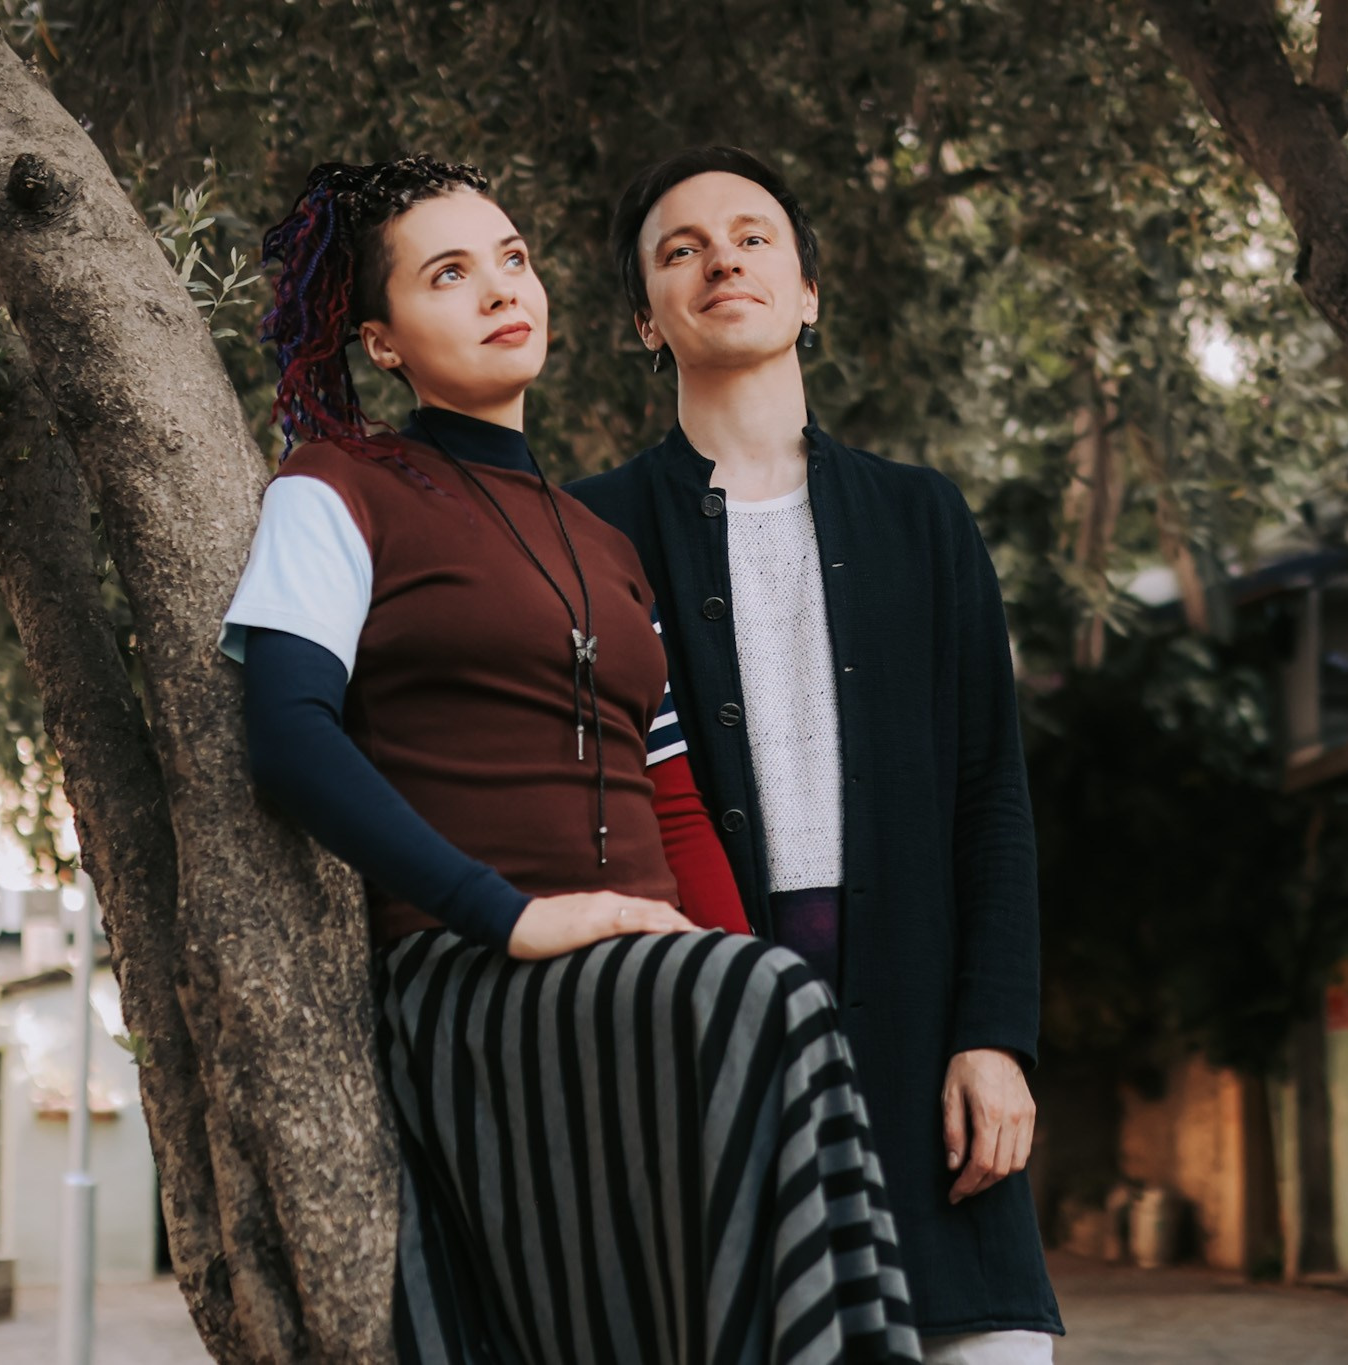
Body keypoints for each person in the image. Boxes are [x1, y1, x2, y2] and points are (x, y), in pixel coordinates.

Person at [218, 155, 921, 1365]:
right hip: (479, 979)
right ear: (382, 341)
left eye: (514, 260)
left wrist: (727, 958)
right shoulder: (333, 490)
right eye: (449, 275)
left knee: (772, 1005)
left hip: (650, 985)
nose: (501, 289)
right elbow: (285, 736)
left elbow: (674, 798)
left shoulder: (600, 539)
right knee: (769, 1002)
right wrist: (504, 916)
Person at [568, 147, 1062, 1365]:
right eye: (679, 248)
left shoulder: (921, 517)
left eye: (752, 236)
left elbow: (989, 798)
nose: (720, 258)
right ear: (646, 319)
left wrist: (994, 1037)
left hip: (918, 1041)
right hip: (706, 1049)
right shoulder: (588, 532)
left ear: (807, 292)